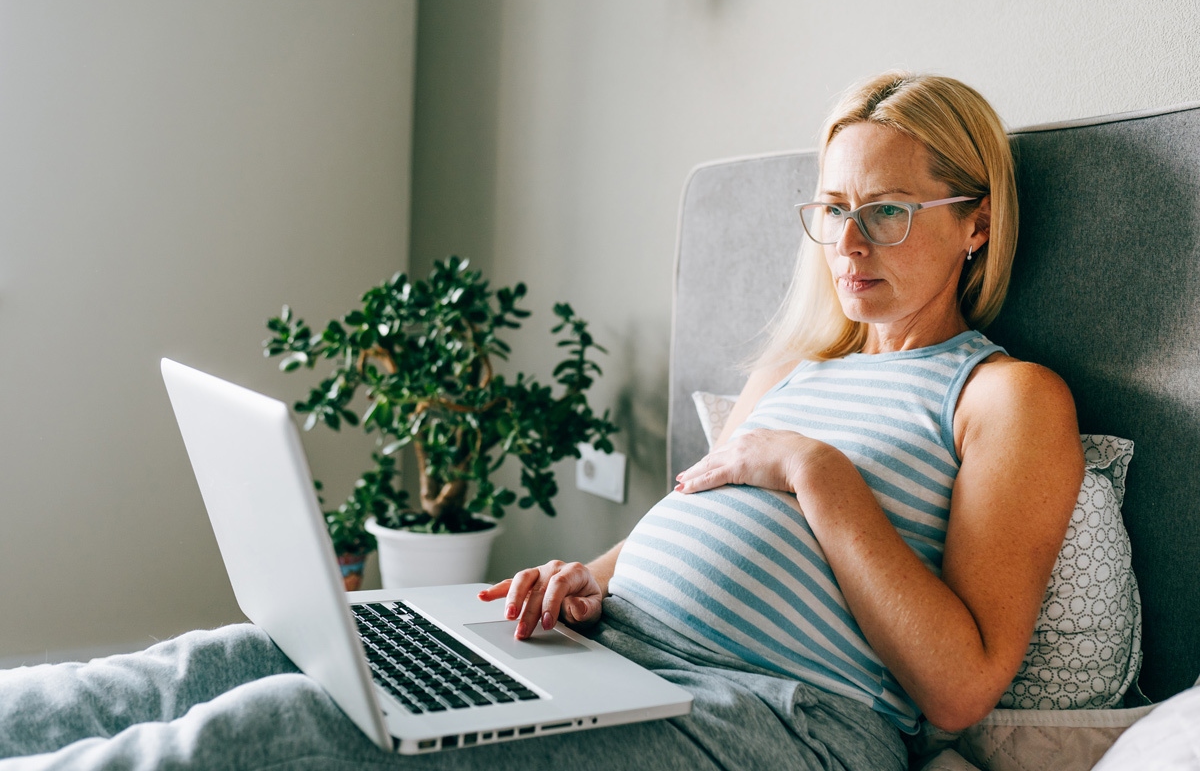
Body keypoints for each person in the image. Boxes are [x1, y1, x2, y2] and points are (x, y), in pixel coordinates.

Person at [0, 71, 1083, 771]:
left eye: (886, 212)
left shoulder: (1005, 397)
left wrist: (818, 474)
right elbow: (686, 523)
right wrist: (586, 576)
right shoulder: (797, 370)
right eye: (834, 210)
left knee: (276, 732)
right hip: (603, 647)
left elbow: (960, 686)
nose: (848, 244)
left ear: (976, 224)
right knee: (218, 662)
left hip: (773, 717)